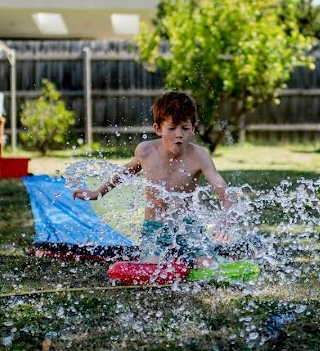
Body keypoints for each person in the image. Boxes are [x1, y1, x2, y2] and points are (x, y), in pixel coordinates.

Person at [73, 91, 230, 267]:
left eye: (185, 128)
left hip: (188, 227)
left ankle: (198, 257)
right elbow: (124, 173)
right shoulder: (146, 151)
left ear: (193, 128)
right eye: (172, 128)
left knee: (207, 264)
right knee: (152, 266)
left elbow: (222, 189)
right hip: (154, 228)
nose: (179, 134)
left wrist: (225, 217)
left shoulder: (200, 156)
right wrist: (98, 193)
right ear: (158, 129)